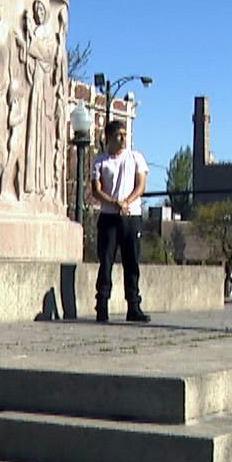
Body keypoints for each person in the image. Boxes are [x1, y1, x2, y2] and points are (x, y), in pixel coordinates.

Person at [89, 118, 148, 323]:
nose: (123, 139)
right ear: (109, 137)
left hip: (131, 217)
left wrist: (127, 202)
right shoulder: (100, 161)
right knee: (106, 262)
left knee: (132, 262)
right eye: (118, 135)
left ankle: (134, 306)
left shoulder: (136, 158)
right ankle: (102, 305)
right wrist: (114, 202)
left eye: (125, 134)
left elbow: (140, 185)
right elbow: (96, 190)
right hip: (108, 217)